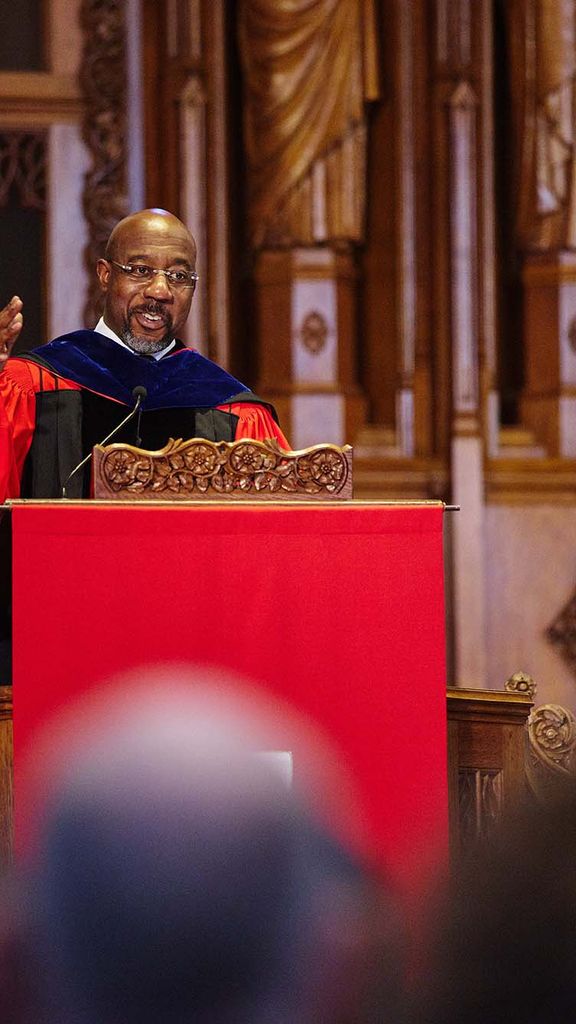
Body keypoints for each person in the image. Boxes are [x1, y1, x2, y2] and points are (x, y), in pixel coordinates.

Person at [0, 208, 288, 502]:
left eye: (178, 276)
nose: (160, 291)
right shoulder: (31, 386)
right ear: (105, 275)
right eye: (140, 271)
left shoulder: (235, 412)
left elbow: (272, 530)